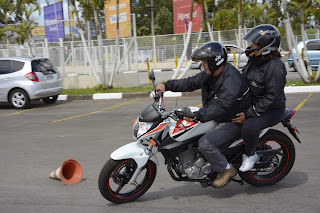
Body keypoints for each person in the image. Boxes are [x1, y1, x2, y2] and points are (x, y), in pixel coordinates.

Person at [156, 42, 251, 188]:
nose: (203, 65)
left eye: (205, 61)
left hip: (234, 119)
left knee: (205, 143)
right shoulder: (211, 74)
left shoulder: (231, 79)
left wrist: (198, 115)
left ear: (215, 61)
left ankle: (226, 169)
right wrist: (166, 86)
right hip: (218, 115)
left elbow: (222, 106)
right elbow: (190, 83)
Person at [232, 24, 287, 172]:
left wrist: (248, 114)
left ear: (265, 45)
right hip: (254, 103)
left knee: (250, 126)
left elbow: (272, 97)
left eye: (254, 43)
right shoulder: (255, 61)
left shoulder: (275, 66)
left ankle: (250, 155)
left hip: (271, 109)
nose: (250, 46)